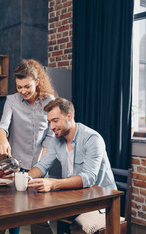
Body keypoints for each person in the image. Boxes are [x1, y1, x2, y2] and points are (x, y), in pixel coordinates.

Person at [27, 97, 117, 234]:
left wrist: (52, 184)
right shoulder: (56, 141)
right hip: (72, 199)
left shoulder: (92, 139)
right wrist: (23, 178)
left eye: (55, 121)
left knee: (79, 226)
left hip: (99, 203)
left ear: (69, 116)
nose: (51, 127)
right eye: (49, 122)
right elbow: (42, 166)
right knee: (35, 215)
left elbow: (88, 178)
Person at [0, 59, 57, 171]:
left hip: (41, 164)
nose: (23, 91)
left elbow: (50, 135)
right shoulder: (12, 100)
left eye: (27, 86)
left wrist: (41, 165)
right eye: (19, 87)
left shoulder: (49, 101)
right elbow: (3, 125)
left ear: (37, 82)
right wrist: (3, 141)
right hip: (16, 165)